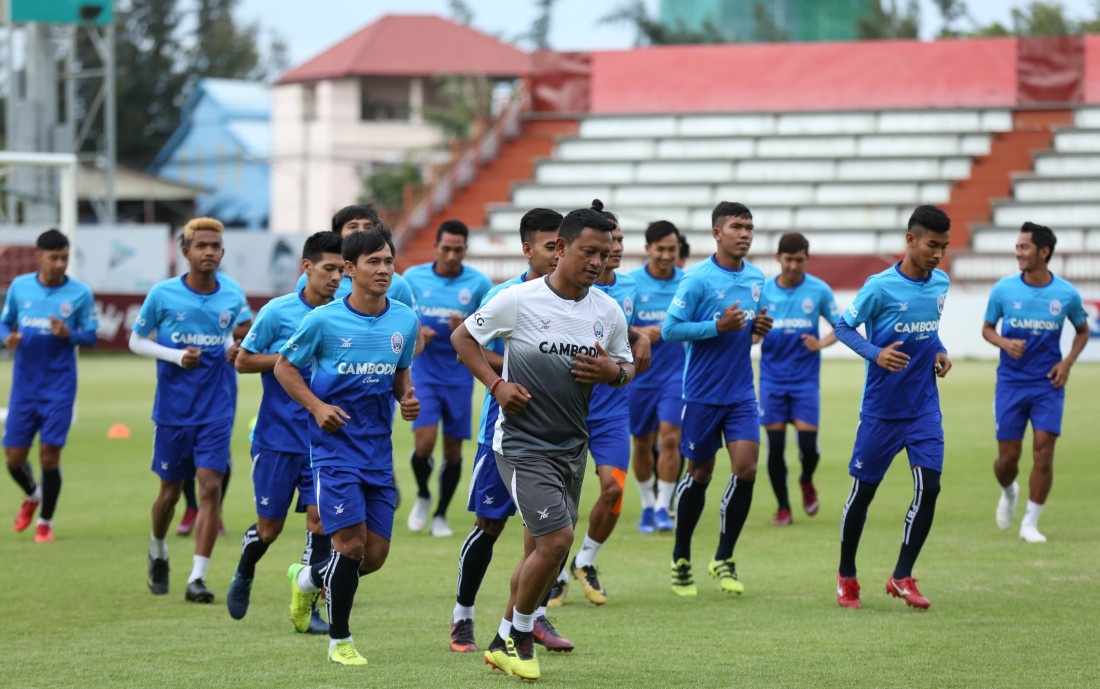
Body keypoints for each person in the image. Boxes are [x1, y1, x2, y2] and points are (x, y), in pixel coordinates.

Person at [451, 208, 633, 681]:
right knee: (557, 542)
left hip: (571, 445)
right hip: (520, 443)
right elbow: (462, 338)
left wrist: (612, 372)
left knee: (539, 549)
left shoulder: (607, 311)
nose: (598, 260)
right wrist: (496, 385)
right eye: (588, 251)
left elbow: (627, 366)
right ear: (561, 249)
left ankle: (503, 636)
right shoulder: (519, 300)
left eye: (605, 252)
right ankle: (519, 635)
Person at [277, 229, 420, 666]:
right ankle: (340, 640)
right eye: (373, 262)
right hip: (334, 452)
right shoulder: (323, 320)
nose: (383, 269)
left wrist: (407, 398)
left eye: (388, 261)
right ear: (350, 270)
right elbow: (285, 367)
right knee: (351, 545)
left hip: (378, 452)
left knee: (373, 557)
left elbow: (400, 374)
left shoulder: (404, 320)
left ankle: (306, 580)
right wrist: (318, 406)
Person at [449, 208, 573, 654]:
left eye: (563, 244)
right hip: (501, 434)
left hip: (555, 437)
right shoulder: (507, 294)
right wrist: (500, 386)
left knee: (545, 536)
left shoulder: (577, 295)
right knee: (489, 526)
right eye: (548, 246)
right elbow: (467, 345)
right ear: (527, 249)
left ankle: (532, 617)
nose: (558, 254)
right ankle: (462, 616)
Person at [833, 204, 953, 611]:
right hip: (881, 412)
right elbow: (842, 327)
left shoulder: (940, 283)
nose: (938, 255)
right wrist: (875, 354)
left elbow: (929, 332)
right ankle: (846, 574)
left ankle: (901, 576)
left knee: (930, 487)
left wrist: (940, 351)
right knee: (863, 495)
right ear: (910, 240)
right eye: (932, 245)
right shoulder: (879, 287)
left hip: (923, 409)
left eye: (944, 247)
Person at [225, 231, 345, 631]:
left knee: (320, 522)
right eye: (328, 269)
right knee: (269, 529)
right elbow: (242, 361)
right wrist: (289, 357)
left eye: (341, 271)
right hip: (277, 439)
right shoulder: (277, 312)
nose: (335, 278)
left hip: (324, 440)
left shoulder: (344, 315)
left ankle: (306, 604)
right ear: (306, 267)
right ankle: (245, 568)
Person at [130, 217, 246, 603]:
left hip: (217, 407)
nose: (209, 252)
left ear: (222, 252)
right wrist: (176, 355)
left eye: (215, 246)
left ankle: (198, 577)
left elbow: (233, 332)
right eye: (201, 246)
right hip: (173, 412)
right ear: (186, 252)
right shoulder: (163, 294)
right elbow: (136, 340)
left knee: (210, 487)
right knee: (168, 494)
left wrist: (234, 346)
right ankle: (158, 549)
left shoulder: (232, 294)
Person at [663, 201, 772, 598]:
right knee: (701, 474)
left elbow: (748, 334)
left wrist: (757, 329)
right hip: (701, 395)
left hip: (742, 392)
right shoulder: (697, 280)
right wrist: (716, 325)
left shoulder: (758, 278)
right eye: (736, 227)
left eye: (749, 227)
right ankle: (681, 557)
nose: (744, 233)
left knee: (745, 469)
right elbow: (670, 330)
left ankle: (724, 557)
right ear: (716, 233)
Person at [565, 200, 650, 606]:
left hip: (612, 407)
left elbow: (619, 328)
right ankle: (551, 572)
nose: (613, 248)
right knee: (560, 502)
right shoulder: (570, 283)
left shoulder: (628, 289)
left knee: (613, 491)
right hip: (568, 406)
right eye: (605, 242)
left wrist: (641, 337)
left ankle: (585, 560)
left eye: (617, 240)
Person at [981, 222, 1089, 543]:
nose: (1018, 253)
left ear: (1044, 252)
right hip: (1011, 384)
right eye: (1017, 247)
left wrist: (1067, 362)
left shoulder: (1066, 294)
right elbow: (987, 329)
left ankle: (1030, 523)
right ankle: (1008, 491)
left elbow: (1082, 332)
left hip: (1047, 385)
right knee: (1008, 459)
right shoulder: (1003, 290)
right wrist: (1004, 343)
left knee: (1044, 452)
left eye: (1024, 247)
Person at [3, 229, 97, 543]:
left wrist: (69, 334)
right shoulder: (20, 287)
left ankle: (45, 521)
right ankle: (32, 496)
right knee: (14, 459)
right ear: (39, 256)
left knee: (49, 457)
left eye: (65, 258)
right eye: (54, 257)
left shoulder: (80, 293)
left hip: (59, 388)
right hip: (25, 389)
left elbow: (92, 336)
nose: (60, 264)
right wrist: (7, 337)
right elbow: (5, 322)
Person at [404, 220, 492, 537]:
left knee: (453, 451)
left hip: (459, 373)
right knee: (424, 444)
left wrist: (467, 325)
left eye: (458, 249)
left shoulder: (479, 283)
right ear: (436, 248)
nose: (452, 255)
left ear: (465, 249)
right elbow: (397, 315)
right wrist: (416, 329)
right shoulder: (413, 278)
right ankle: (424, 494)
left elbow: (488, 330)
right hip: (424, 371)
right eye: (446, 249)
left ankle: (441, 513)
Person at [757, 232, 839, 526]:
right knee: (775, 447)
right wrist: (754, 335)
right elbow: (752, 333)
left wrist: (821, 343)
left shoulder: (818, 291)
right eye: (788, 259)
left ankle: (806, 479)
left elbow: (839, 328)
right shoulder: (763, 291)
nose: (793, 266)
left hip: (805, 382)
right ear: (778, 258)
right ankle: (783, 507)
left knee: (807, 448)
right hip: (772, 381)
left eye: (799, 260)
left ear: (807, 259)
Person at [627, 220, 685, 534]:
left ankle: (664, 507)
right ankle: (648, 505)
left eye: (671, 249)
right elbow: (612, 327)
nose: (665, 255)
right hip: (639, 376)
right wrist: (639, 333)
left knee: (671, 436)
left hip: (676, 374)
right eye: (660, 249)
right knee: (642, 442)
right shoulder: (631, 283)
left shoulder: (688, 282)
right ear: (648, 249)